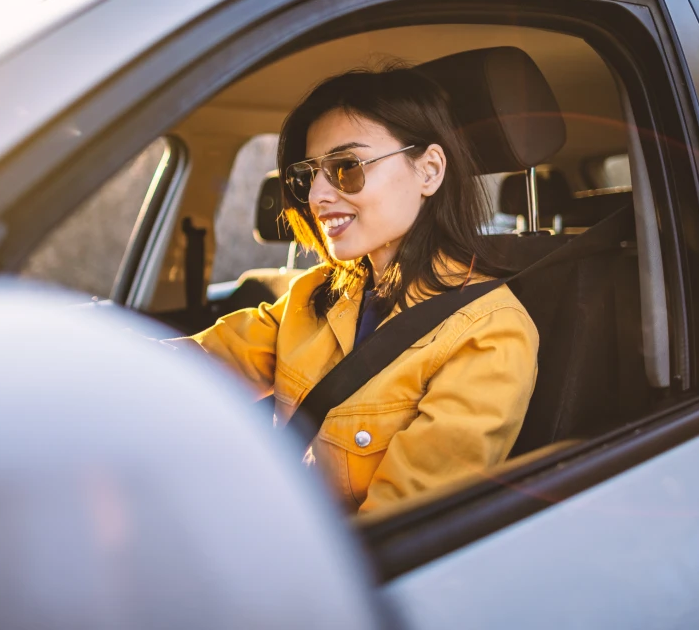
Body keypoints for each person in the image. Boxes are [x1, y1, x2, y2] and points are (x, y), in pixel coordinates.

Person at [186, 65, 539, 515]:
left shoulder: (488, 334)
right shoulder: (316, 294)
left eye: (346, 167)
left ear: (429, 170)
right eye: (307, 174)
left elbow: (395, 531)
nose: (316, 196)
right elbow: (192, 364)